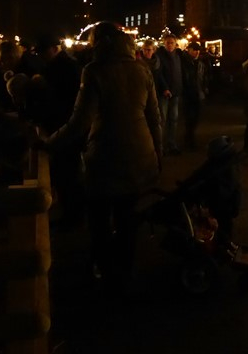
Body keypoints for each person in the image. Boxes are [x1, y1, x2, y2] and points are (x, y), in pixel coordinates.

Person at [42, 21, 161, 293]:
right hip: (140, 154)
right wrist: (158, 154)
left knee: (99, 218)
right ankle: (125, 271)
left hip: (106, 155)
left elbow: (79, 122)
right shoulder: (141, 69)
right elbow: (155, 118)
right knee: (128, 217)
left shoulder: (95, 71)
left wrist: (50, 142)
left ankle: (104, 270)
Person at [35, 33, 85, 229]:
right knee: (66, 171)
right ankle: (72, 212)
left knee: (67, 172)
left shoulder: (62, 68)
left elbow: (62, 100)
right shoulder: (63, 66)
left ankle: (73, 215)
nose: (41, 55)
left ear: (55, 49)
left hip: (64, 126)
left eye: (43, 51)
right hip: (64, 126)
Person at [158, 34, 185, 155]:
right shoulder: (160, 56)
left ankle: (171, 143)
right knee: (162, 119)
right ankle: (161, 145)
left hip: (176, 91)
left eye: (171, 43)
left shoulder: (178, 56)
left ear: (175, 44)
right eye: (168, 42)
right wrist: (164, 88)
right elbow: (159, 74)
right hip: (164, 92)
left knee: (173, 119)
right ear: (164, 43)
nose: (169, 45)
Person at [140, 39, 168, 152]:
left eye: (149, 50)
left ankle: (158, 145)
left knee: (158, 119)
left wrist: (165, 88)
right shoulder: (138, 63)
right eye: (145, 50)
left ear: (153, 50)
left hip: (156, 92)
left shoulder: (157, 62)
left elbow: (160, 76)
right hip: (143, 94)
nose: (147, 52)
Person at [182, 42, 208, 151]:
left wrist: (204, 88)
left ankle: (191, 139)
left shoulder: (200, 63)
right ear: (189, 50)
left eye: (197, 50)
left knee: (195, 118)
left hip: (198, 93)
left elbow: (203, 77)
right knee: (189, 118)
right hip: (189, 94)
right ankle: (189, 140)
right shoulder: (184, 62)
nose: (196, 52)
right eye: (194, 50)